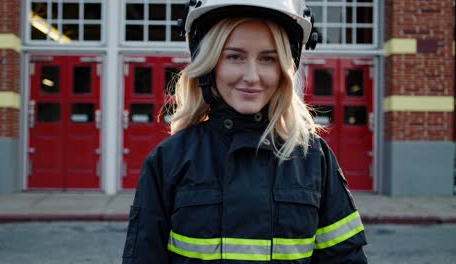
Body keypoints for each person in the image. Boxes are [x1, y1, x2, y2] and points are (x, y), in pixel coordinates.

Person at [122, 0, 368, 263]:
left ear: (286, 67)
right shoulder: (169, 160)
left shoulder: (313, 158)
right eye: (235, 56)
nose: (252, 76)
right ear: (209, 63)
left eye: (268, 58)